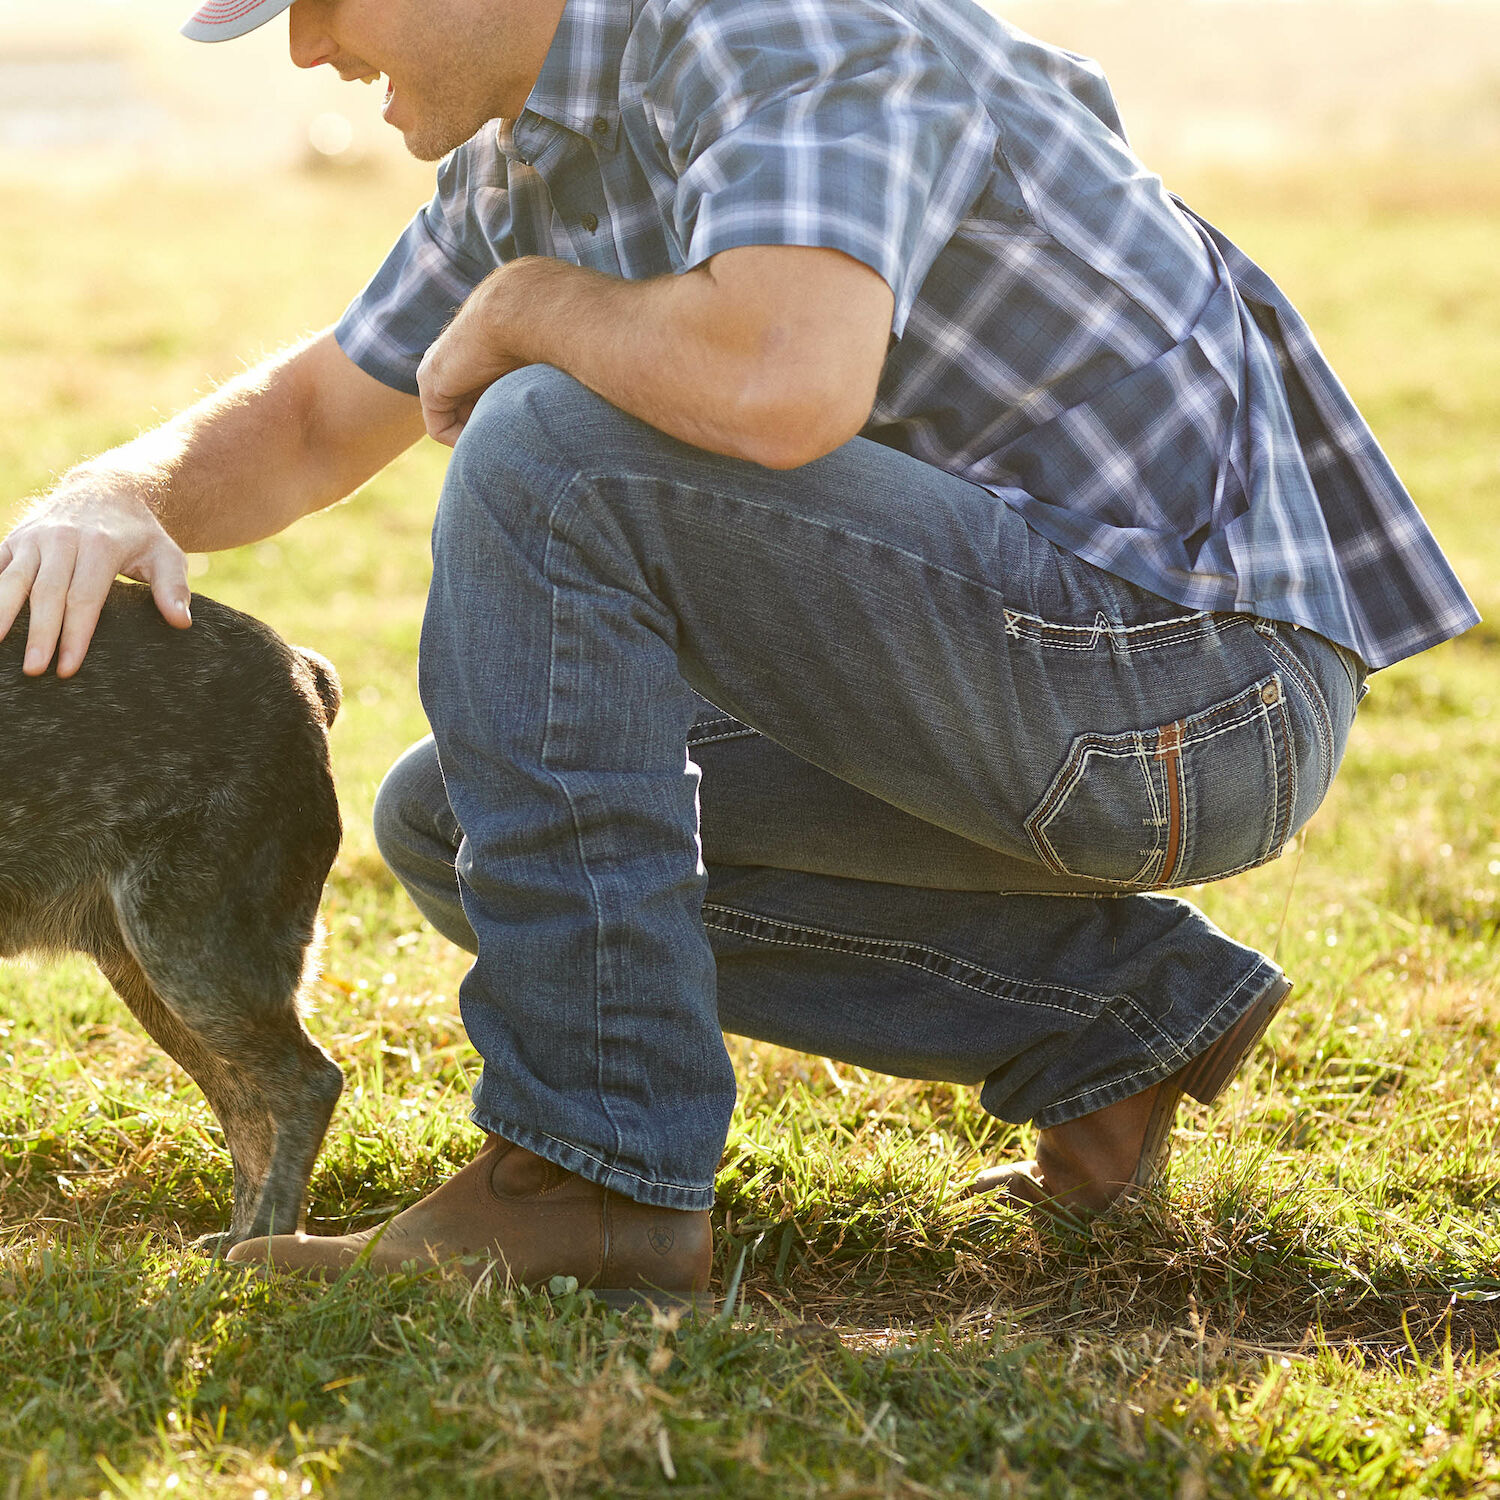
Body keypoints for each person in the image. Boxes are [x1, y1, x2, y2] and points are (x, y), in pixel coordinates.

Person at [0, 0, 1475, 1306]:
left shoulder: (779, 20)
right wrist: (103, 497)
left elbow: (784, 379)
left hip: (1179, 697)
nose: (312, 49)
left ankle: (595, 1179)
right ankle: (1114, 1023)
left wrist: (528, 309)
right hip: (1051, 684)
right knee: (450, 825)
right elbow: (320, 417)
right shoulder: (535, 157)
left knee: (550, 445)